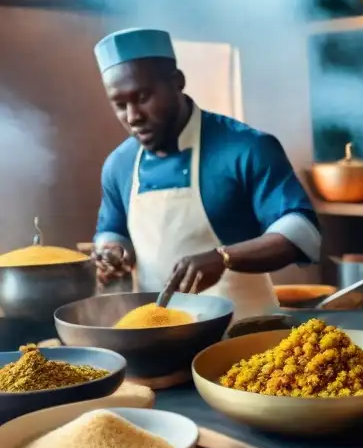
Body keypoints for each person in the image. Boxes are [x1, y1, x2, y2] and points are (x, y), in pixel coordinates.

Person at [91, 28, 320, 320]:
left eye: (144, 96)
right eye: (120, 105)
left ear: (177, 82)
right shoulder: (119, 164)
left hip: (244, 334)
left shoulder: (245, 147)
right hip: (160, 334)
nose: (133, 116)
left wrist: (224, 258)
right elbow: (113, 232)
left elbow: (302, 232)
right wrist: (112, 253)